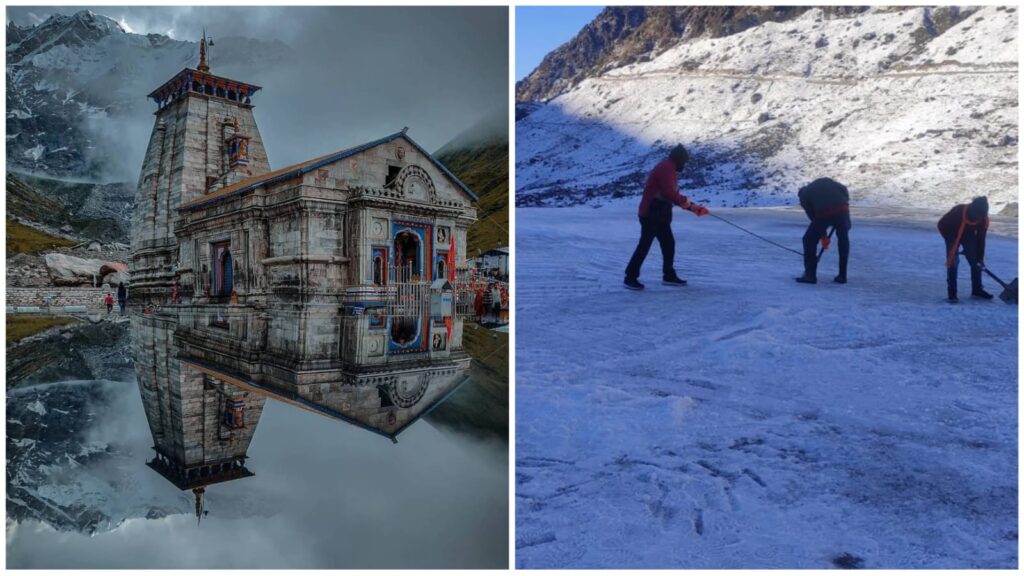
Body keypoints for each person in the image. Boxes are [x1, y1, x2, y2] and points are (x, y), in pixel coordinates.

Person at [623, 144, 709, 290]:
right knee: (645, 245)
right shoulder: (666, 168)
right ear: (679, 159)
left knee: (668, 244)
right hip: (651, 213)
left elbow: (671, 195)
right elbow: (669, 193)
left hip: (660, 213)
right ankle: (630, 277)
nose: (684, 165)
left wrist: (693, 208)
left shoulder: (669, 168)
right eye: (684, 162)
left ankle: (668, 275)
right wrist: (690, 205)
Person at [795, 177, 852, 284]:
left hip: (824, 212)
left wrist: (823, 236)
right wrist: (843, 204)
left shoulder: (803, 196)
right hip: (842, 208)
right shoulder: (822, 182)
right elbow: (844, 188)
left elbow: (814, 218)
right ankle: (842, 276)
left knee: (808, 240)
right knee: (843, 239)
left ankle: (810, 275)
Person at [938, 196, 992, 303]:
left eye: (981, 217)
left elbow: (981, 240)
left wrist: (979, 258)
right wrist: (951, 241)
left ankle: (977, 290)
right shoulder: (957, 211)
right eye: (977, 216)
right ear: (972, 211)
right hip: (951, 233)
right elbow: (941, 225)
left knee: (975, 261)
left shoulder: (983, 219)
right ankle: (952, 294)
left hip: (969, 236)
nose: (979, 219)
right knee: (953, 262)